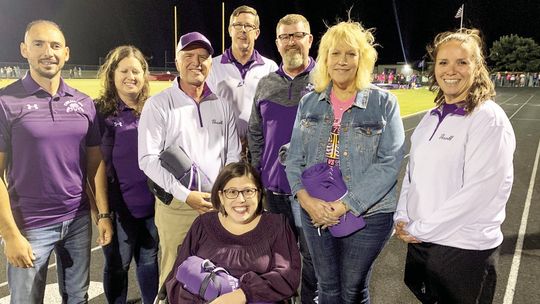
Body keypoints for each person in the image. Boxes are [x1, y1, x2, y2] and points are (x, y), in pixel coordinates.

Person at [285, 20, 406, 303]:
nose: (341, 61)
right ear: (324, 58)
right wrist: (306, 200)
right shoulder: (309, 103)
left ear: (362, 59)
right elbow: (293, 159)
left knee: (352, 290)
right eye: (334, 53)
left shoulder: (384, 103)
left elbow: (389, 163)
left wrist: (344, 206)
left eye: (350, 54)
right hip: (315, 209)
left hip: (368, 214)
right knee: (326, 287)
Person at [394, 28, 516, 304]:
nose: (451, 70)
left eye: (462, 62)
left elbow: (479, 192)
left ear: (477, 67)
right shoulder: (430, 118)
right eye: (443, 62)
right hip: (423, 242)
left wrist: (420, 228)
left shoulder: (488, 119)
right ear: (434, 68)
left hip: (463, 249)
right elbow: (413, 175)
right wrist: (402, 216)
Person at [0, 20, 112, 303]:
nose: (47, 52)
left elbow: (94, 163)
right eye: (38, 44)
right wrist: (10, 234)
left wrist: (102, 213)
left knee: (78, 296)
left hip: (77, 220)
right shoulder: (6, 102)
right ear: (24, 49)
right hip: (29, 224)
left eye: (55, 45)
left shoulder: (83, 102)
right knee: (26, 300)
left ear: (66, 53)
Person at [138, 31, 241, 289]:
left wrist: (223, 195)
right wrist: (185, 195)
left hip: (217, 203)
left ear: (210, 63)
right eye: (189, 56)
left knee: (217, 275)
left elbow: (233, 154)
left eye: (203, 57)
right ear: (177, 61)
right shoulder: (159, 104)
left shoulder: (222, 104)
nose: (197, 62)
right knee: (174, 274)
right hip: (177, 205)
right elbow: (147, 160)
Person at [247, 13, 317, 304]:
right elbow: (255, 133)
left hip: (312, 193)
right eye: (285, 37)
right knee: (277, 261)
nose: (292, 42)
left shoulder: (323, 80)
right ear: (277, 43)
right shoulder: (265, 84)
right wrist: (259, 172)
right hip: (274, 191)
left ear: (309, 40)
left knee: (313, 261)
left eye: (298, 35)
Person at [164, 161, 301, 304]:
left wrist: (240, 296)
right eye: (232, 192)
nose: (241, 200)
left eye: (248, 191)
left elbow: (287, 277)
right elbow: (176, 278)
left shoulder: (277, 226)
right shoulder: (203, 224)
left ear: (259, 194)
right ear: (221, 196)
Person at [95, 45, 158, 304]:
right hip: (117, 207)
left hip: (151, 204)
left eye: (136, 70)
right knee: (118, 264)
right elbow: (95, 167)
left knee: (149, 259)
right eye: (124, 71)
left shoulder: (153, 110)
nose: (130, 76)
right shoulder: (100, 113)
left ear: (144, 75)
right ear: (112, 74)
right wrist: (102, 214)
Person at [206, 5, 278, 157]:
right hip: (221, 148)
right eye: (238, 25)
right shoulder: (212, 66)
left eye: (249, 26)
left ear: (256, 33)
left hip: (259, 149)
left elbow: (273, 111)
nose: (243, 30)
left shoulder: (270, 67)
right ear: (230, 30)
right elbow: (206, 109)